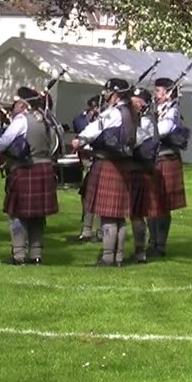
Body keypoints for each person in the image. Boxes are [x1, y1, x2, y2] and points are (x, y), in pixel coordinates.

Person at [0, 86, 59, 265]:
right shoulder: (48, 119)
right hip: (45, 168)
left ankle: (18, 256)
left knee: (18, 214)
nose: (14, 106)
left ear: (23, 104)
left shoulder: (22, 120)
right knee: (37, 215)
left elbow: (3, 143)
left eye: (17, 102)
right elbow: (57, 143)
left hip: (26, 168)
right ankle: (36, 255)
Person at [73, 78, 135, 267]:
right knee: (119, 216)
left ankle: (108, 257)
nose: (105, 95)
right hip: (123, 164)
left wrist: (80, 139)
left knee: (108, 214)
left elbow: (96, 128)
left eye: (108, 92)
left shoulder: (114, 112)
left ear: (115, 93)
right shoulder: (131, 112)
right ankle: (118, 256)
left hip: (108, 163)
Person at [147, 77, 187, 258]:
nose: (155, 95)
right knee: (151, 203)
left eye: (158, 91)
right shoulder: (154, 110)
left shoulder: (172, 111)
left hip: (167, 158)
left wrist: (146, 128)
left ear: (168, 93)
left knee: (163, 205)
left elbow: (163, 130)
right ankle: (152, 241)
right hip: (154, 159)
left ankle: (160, 244)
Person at [127, 86, 163, 264]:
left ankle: (140, 251)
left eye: (136, 102)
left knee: (136, 213)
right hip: (135, 169)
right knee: (133, 213)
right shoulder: (140, 119)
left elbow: (135, 142)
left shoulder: (146, 122)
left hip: (140, 170)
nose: (133, 105)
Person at [72, 96, 102, 242]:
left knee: (100, 198)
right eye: (93, 107)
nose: (95, 110)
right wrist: (89, 118)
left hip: (100, 160)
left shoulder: (108, 118)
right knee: (87, 194)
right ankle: (87, 230)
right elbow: (78, 125)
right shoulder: (84, 118)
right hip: (90, 159)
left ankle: (100, 231)